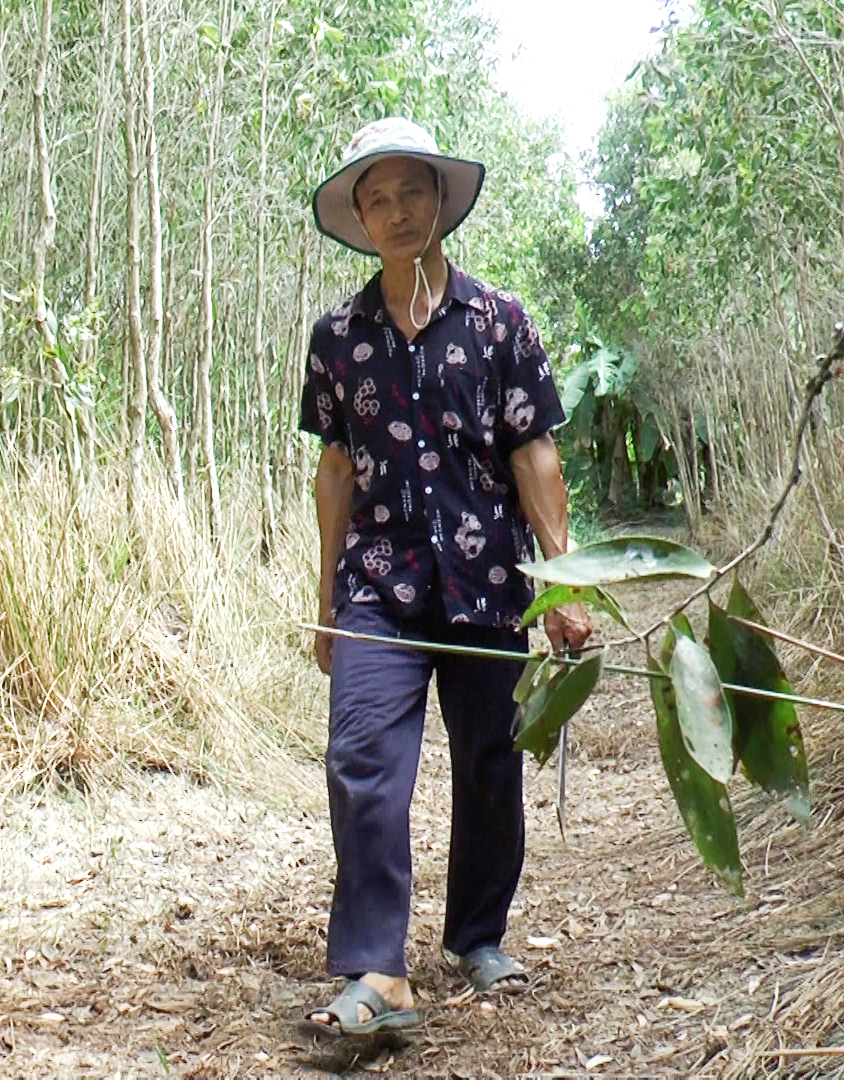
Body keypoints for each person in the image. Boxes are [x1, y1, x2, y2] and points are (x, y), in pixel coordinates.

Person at [297, 117, 592, 1036]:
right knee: (362, 759)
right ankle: (377, 969)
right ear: (360, 216)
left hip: (486, 581)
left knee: (489, 762)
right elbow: (337, 468)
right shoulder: (337, 336)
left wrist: (563, 585)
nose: (396, 212)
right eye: (376, 199)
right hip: (378, 587)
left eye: (411, 193)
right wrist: (325, 606)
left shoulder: (501, 321)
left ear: (440, 203)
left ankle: (476, 935)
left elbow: (533, 454)